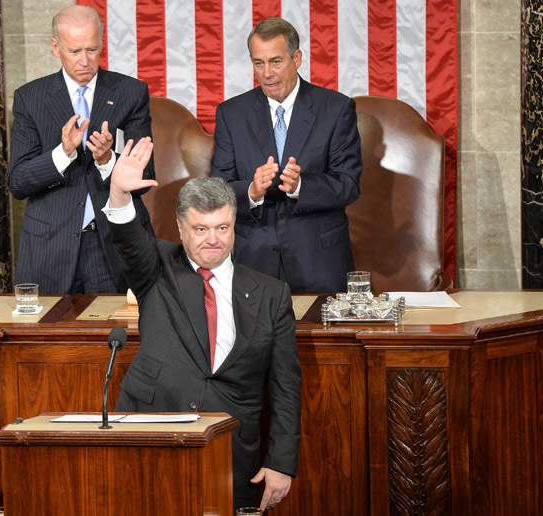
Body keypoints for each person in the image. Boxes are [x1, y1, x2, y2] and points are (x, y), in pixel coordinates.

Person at [104, 137, 302, 512]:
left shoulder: (272, 294)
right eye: (200, 229)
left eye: (223, 228)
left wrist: (281, 461)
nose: (213, 240)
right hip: (151, 434)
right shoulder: (158, 269)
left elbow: (286, 387)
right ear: (180, 229)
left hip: (231, 454)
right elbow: (129, 242)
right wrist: (118, 193)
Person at [8, 5, 154, 294]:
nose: (85, 61)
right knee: (48, 337)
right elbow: (18, 182)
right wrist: (63, 153)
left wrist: (107, 159)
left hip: (113, 245)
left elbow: (144, 177)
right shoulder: (30, 98)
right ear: (55, 47)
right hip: (50, 247)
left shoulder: (130, 93)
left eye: (92, 49)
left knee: (123, 337)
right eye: (75, 51)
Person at [211, 17, 363, 294]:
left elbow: (348, 184)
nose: (267, 73)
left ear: (297, 58)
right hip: (253, 265)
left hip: (318, 263)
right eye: (259, 63)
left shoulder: (336, 109)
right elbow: (218, 188)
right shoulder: (231, 114)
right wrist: (252, 191)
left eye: (276, 61)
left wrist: (301, 187)